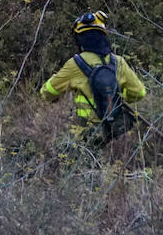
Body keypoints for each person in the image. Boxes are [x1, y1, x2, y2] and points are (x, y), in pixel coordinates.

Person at [39, 11, 146, 144]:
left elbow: (47, 92)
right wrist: (119, 97)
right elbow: (139, 92)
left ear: (80, 38)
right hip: (116, 129)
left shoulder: (74, 64)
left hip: (86, 132)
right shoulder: (119, 62)